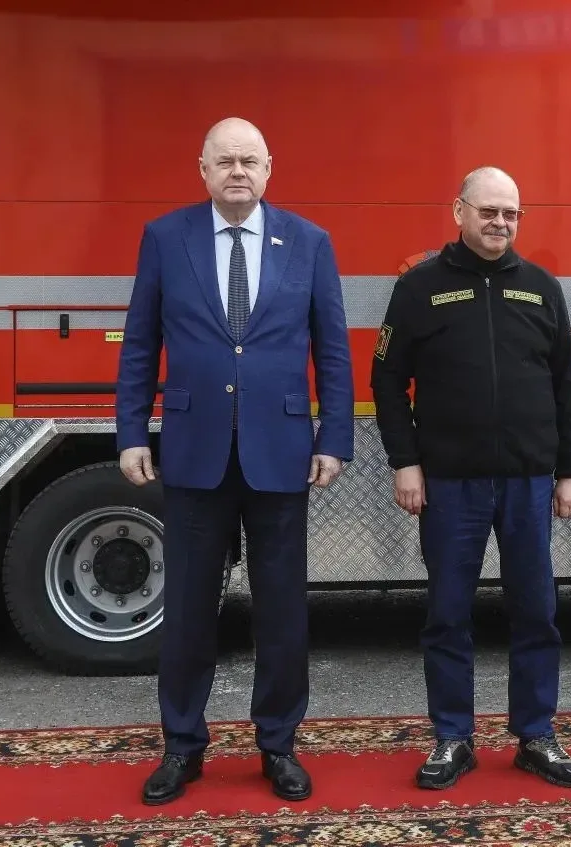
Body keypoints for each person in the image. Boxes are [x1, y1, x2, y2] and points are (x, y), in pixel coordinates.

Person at [115, 117, 354, 805]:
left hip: (281, 453)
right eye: (225, 161)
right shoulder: (166, 238)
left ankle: (278, 744)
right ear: (203, 170)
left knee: (282, 613)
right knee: (189, 609)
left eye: (250, 160)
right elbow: (140, 342)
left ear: (270, 168)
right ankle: (181, 746)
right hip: (195, 453)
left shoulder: (309, 242)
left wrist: (333, 437)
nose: (238, 171)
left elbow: (331, 347)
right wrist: (132, 431)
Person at [370, 166, 571, 790]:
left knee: (537, 612)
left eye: (511, 213)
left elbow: (567, 385)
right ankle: (452, 738)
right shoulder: (419, 287)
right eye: (489, 211)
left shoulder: (541, 288)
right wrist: (405, 461)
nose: (500, 223)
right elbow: (387, 380)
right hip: (449, 483)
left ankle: (536, 735)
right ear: (459, 211)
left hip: (528, 482)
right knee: (447, 614)